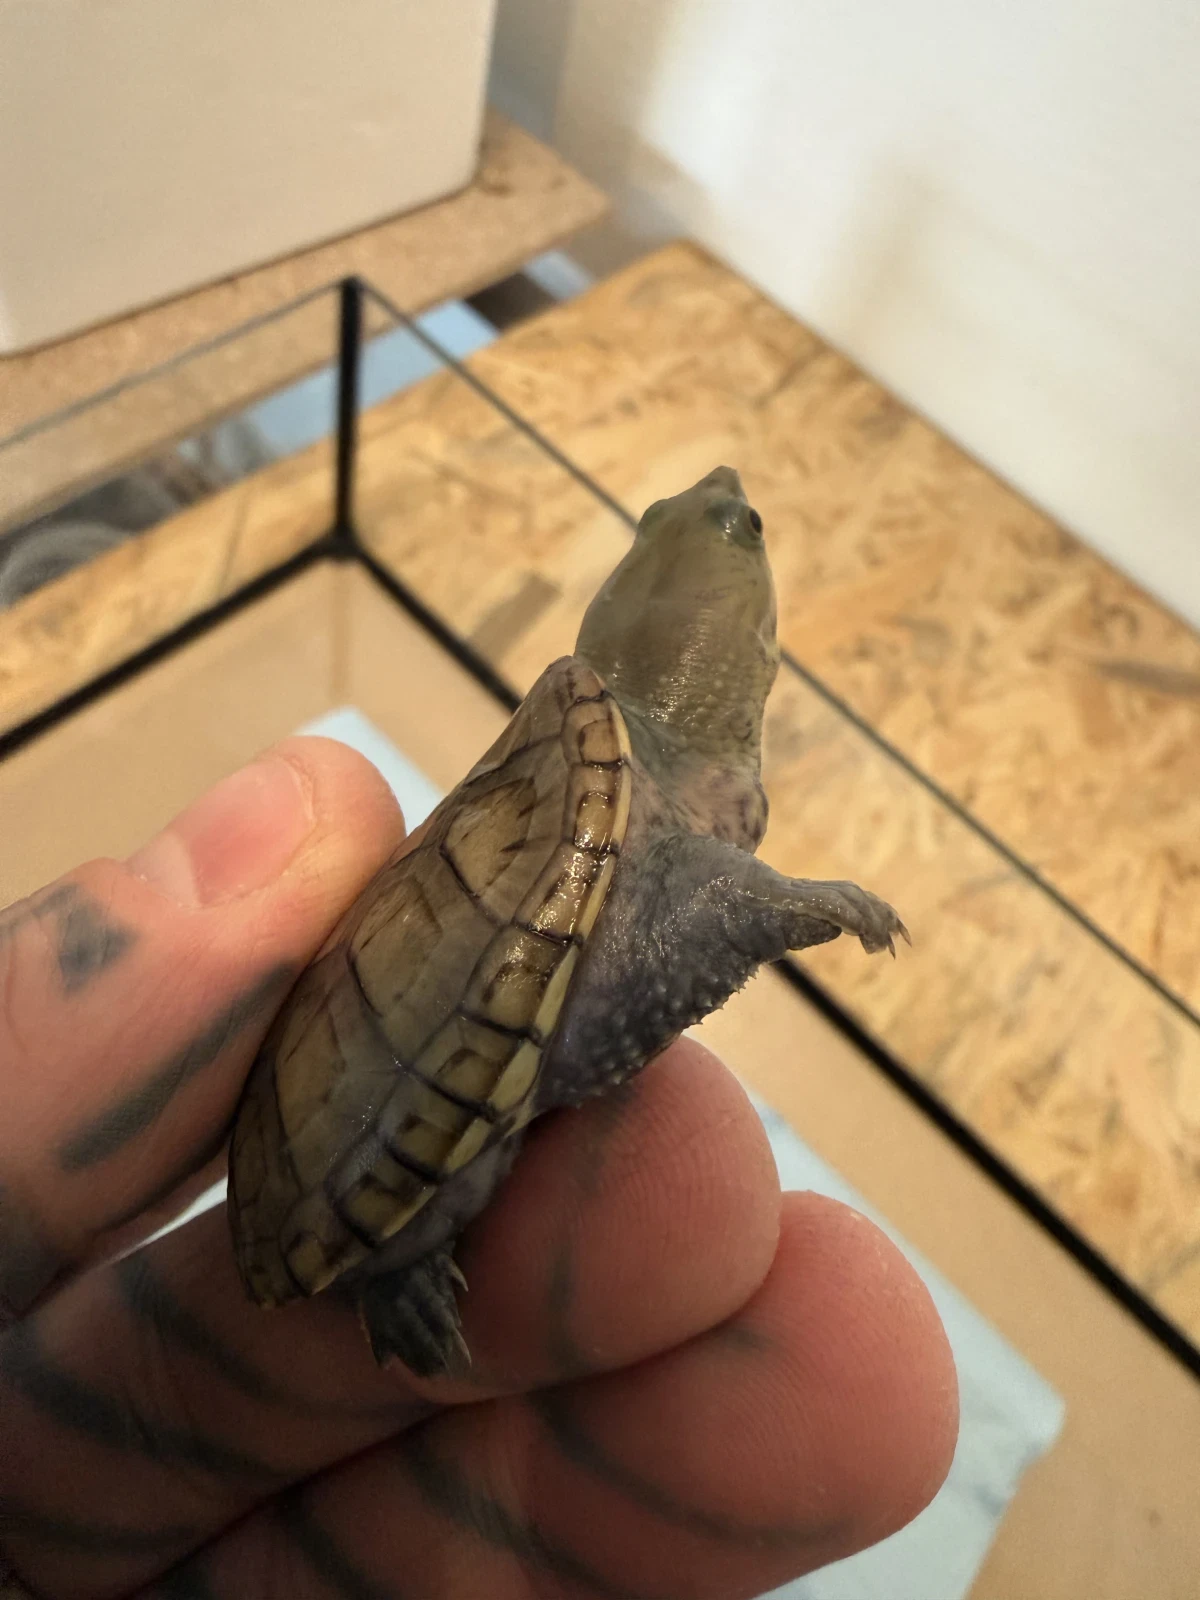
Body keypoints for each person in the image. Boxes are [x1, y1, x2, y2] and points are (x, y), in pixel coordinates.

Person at [0, 738, 958, 1599]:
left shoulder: (607, 796)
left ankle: (392, 1250)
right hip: (359, 1121)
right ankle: (395, 1258)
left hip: (332, 1122)